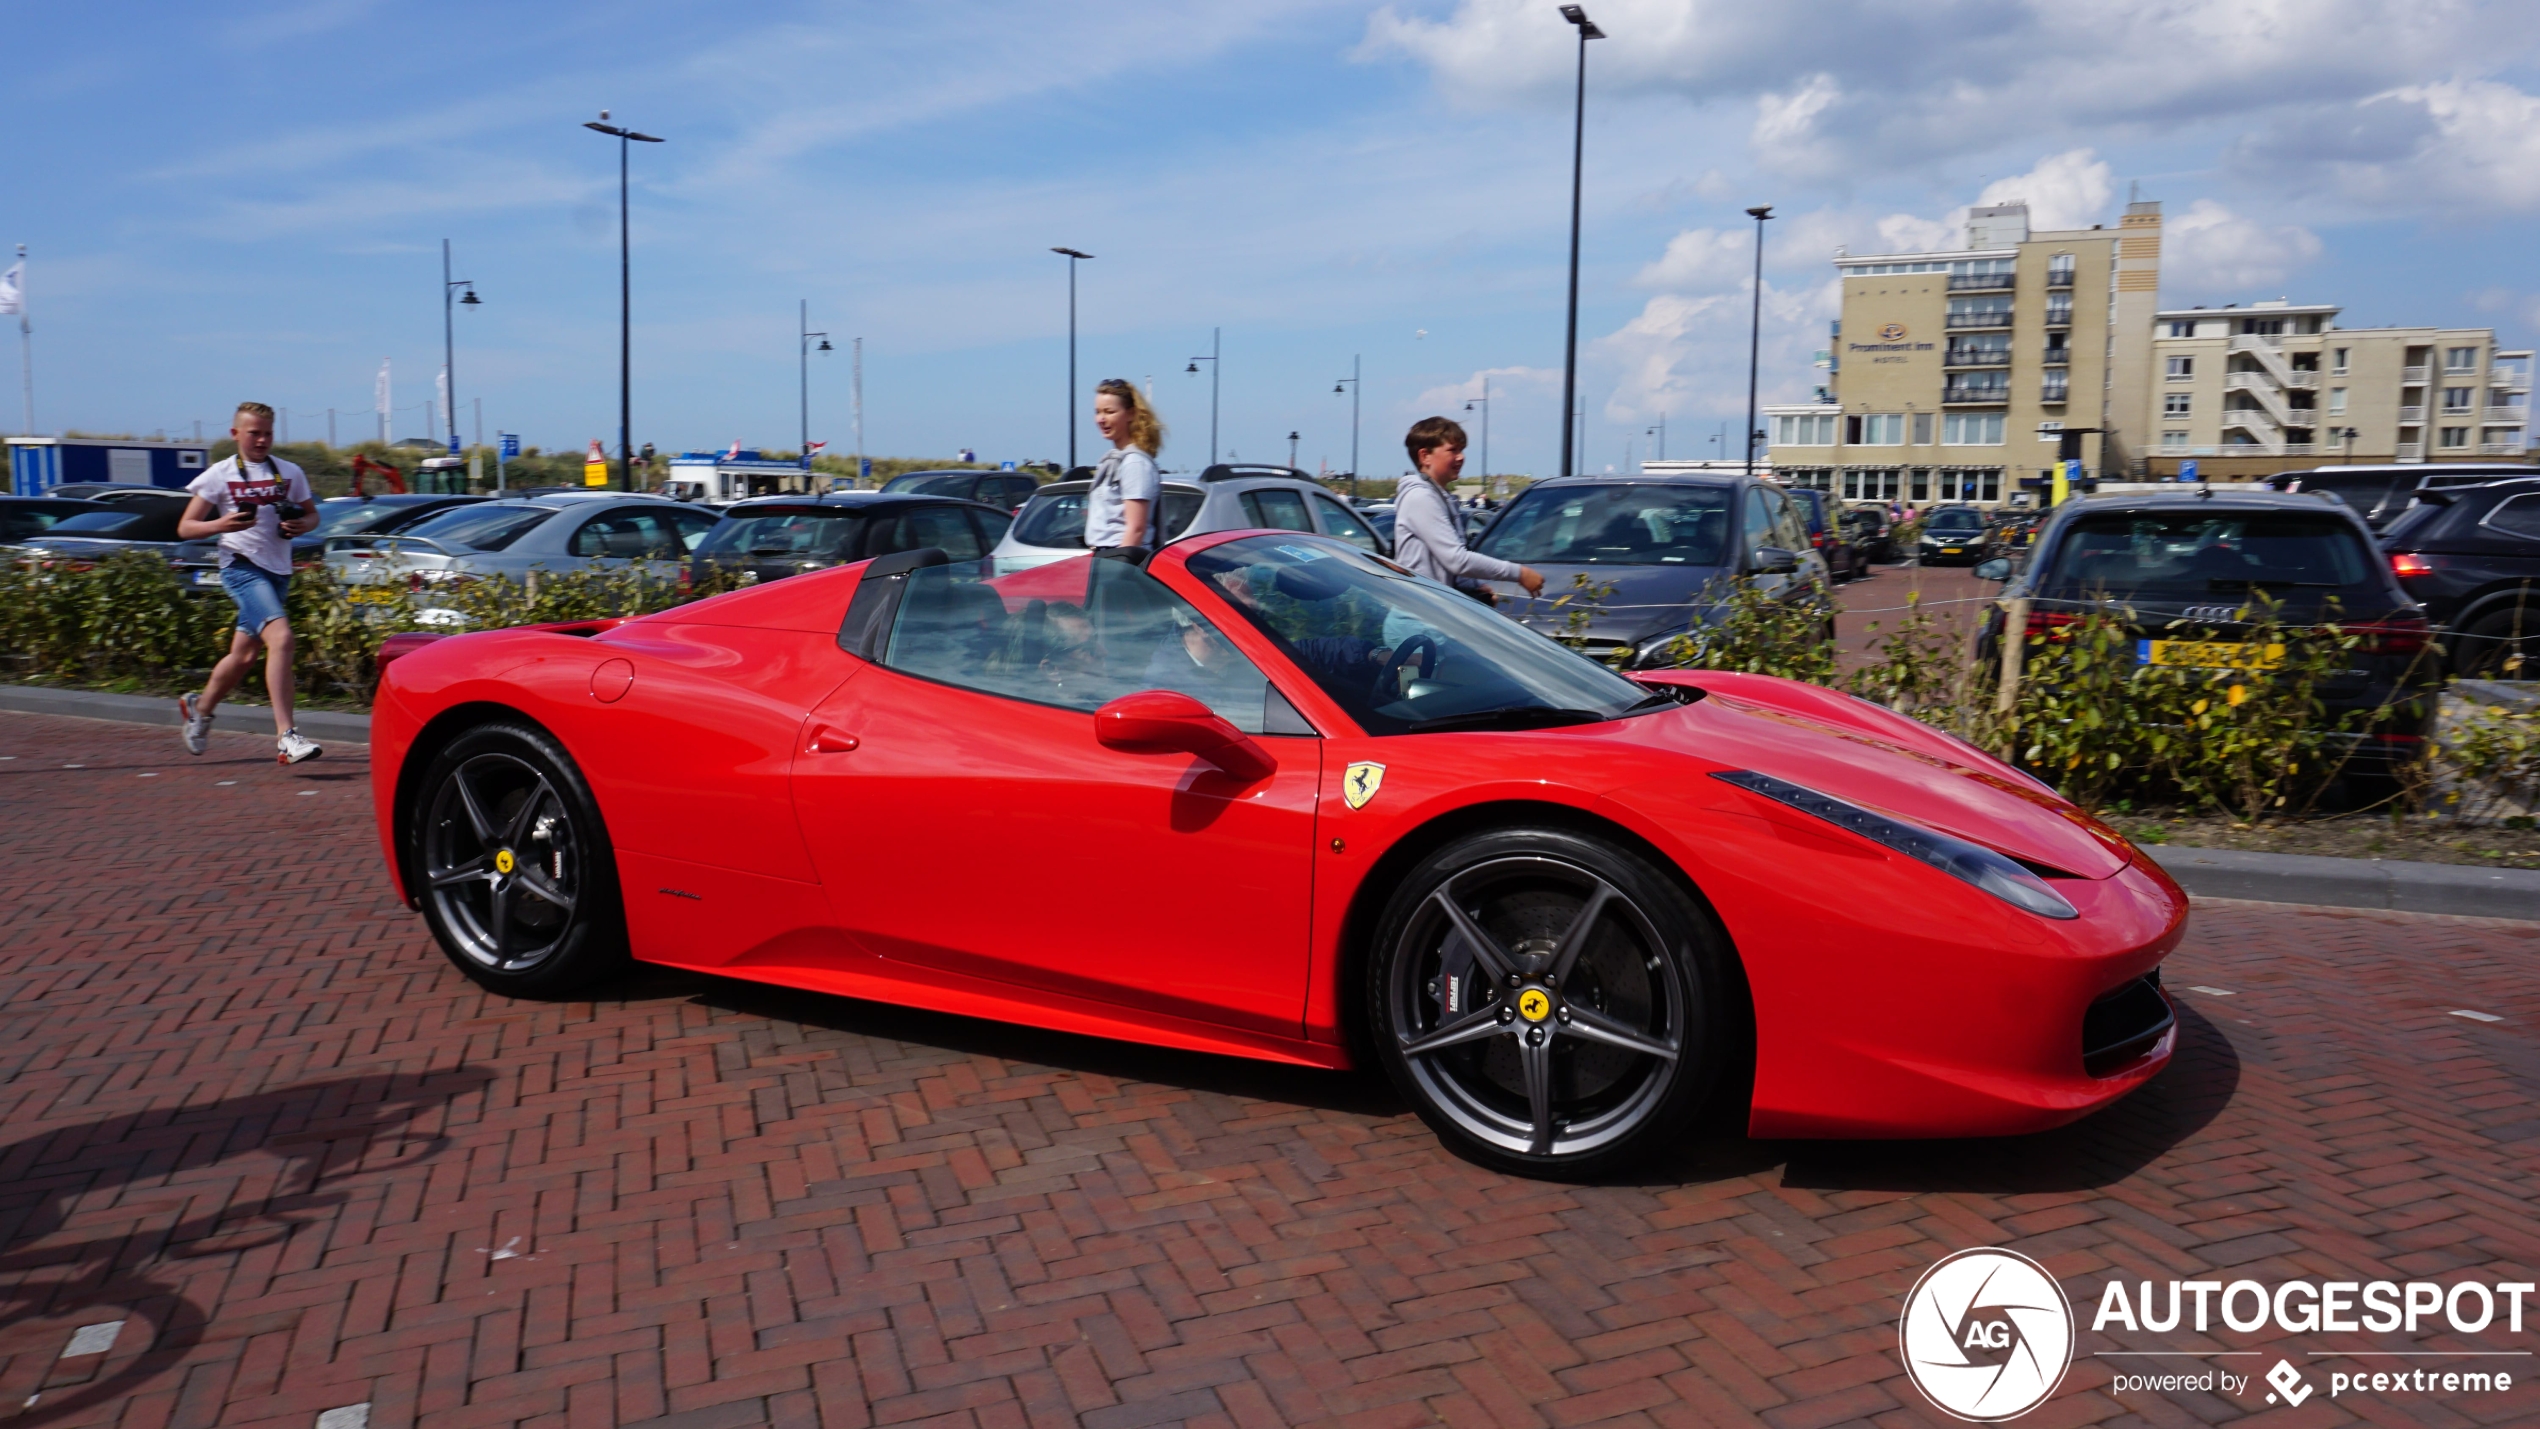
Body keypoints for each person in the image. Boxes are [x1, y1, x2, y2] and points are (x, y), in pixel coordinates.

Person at [175, 402, 323, 764]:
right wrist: (220, 525)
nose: (261, 440)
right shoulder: (219, 474)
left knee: (244, 655)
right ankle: (287, 736)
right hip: (240, 567)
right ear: (235, 434)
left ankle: (200, 709)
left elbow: (312, 514)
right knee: (282, 638)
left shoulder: (289, 472)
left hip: (279, 570)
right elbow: (186, 527)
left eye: (267, 433)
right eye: (253, 432)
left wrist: (302, 525)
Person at [1392, 416, 1542, 603]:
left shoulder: (1440, 497)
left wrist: (1473, 587)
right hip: (1417, 616)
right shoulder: (1420, 498)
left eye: (1461, 450)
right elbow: (1457, 560)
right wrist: (1519, 573)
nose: (1461, 457)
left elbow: (1445, 564)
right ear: (1425, 456)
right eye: (1452, 450)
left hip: (1433, 613)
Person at [1084, 379, 1165, 556]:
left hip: (1121, 558)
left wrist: (1119, 570)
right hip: (1104, 557)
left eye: (1109, 412)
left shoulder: (1135, 463)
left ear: (1130, 414)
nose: (1101, 419)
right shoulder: (1113, 460)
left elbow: (1136, 528)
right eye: (1097, 412)